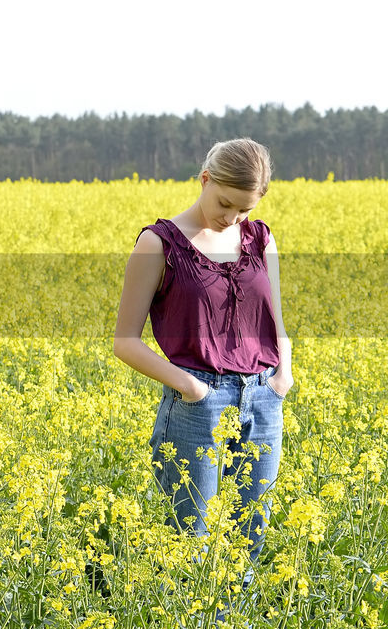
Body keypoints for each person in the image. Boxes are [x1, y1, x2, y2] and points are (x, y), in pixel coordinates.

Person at [113, 137, 294, 573]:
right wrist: (190, 386)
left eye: (244, 209)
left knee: (248, 538)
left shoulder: (260, 238)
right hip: (198, 404)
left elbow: (276, 321)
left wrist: (282, 375)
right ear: (205, 179)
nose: (232, 217)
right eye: (225, 202)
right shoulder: (159, 244)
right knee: (191, 543)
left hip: (264, 399)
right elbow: (125, 341)